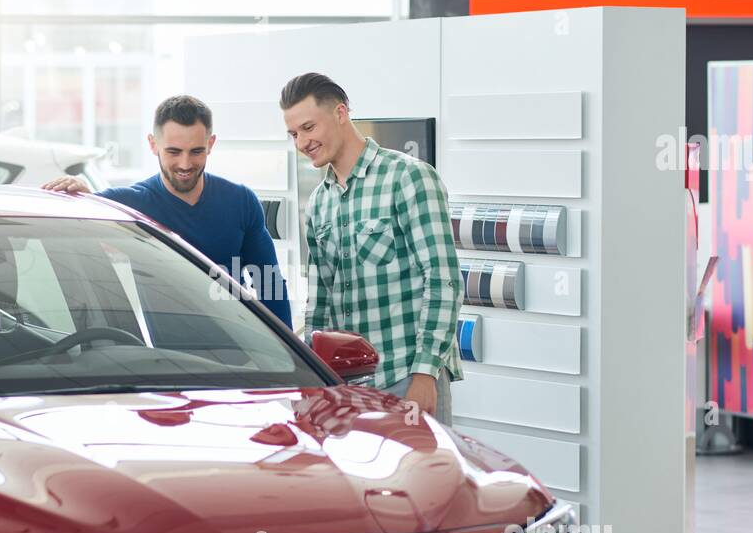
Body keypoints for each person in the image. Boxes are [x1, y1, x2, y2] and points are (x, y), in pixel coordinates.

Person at [281, 72, 462, 423]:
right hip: (348, 390)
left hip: (406, 376)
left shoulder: (408, 178)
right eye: (294, 134)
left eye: (308, 127)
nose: (302, 142)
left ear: (340, 113)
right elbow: (320, 302)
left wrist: (425, 374)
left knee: (423, 478)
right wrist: (315, 382)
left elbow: (443, 280)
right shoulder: (319, 201)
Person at [44, 95, 291, 327]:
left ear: (211, 143)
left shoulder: (241, 201)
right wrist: (82, 197)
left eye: (196, 151)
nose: (185, 164)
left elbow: (270, 284)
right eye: (173, 152)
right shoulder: (129, 205)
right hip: (169, 359)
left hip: (249, 352)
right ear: (153, 144)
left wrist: (295, 359)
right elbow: (73, 220)